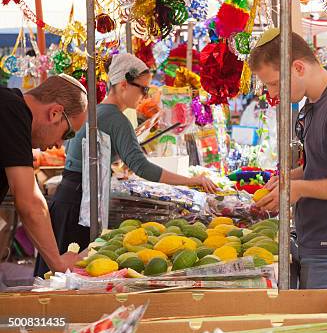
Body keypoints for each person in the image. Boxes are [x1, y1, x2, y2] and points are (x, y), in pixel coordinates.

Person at [34, 53, 217, 277]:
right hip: (80, 202)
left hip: (70, 196)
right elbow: (142, 167)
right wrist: (192, 181)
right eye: (143, 89)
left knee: (56, 276)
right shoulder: (116, 118)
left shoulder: (99, 111)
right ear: (123, 85)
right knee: (70, 273)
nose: (145, 95)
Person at [248, 29, 327, 313]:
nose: (272, 94)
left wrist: (300, 189)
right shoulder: (315, 104)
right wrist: (288, 179)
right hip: (321, 243)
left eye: (273, 84)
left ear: (298, 67)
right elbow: (323, 166)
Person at [0, 75, 88, 273]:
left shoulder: (10, 107)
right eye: (68, 134)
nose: (59, 144)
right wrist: (58, 263)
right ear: (55, 113)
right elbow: (30, 201)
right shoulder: (13, 112)